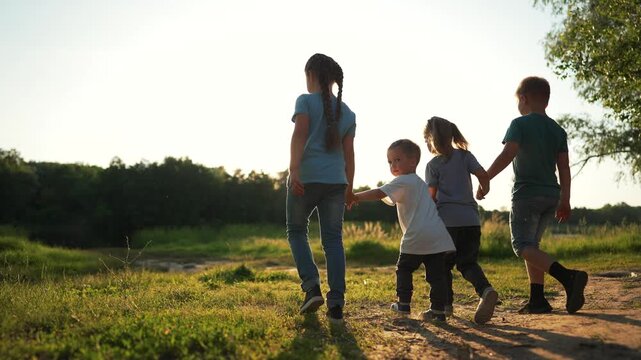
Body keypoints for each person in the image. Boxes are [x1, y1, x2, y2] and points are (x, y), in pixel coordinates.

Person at [481, 76, 588, 314]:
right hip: (552, 195)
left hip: (527, 194)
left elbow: (508, 154)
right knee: (533, 245)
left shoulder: (519, 124)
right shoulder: (558, 130)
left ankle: (568, 277)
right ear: (547, 101)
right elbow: (564, 168)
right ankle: (537, 300)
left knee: (521, 246)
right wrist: (565, 199)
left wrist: (486, 177)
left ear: (523, 98)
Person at [287, 53, 356, 324]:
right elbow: (349, 155)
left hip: (306, 178)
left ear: (311, 75)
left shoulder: (304, 101)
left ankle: (311, 287)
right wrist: (349, 187)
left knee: (296, 231)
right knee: (333, 240)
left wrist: (293, 170)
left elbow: (299, 135)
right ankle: (336, 303)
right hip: (336, 183)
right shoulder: (348, 112)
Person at [353, 139, 455, 321]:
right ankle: (438, 310)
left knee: (404, 268)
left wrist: (354, 197)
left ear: (413, 161)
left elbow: (379, 193)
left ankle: (403, 305)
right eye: (390, 162)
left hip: (417, 235)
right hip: (437, 235)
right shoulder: (419, 183)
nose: (393, 165)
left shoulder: (403, 181)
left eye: (398, 160)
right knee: (436, 275)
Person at [424, 116, 498, 324]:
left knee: (442, 265)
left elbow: (431, 196)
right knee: (467, 263)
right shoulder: (465, 156)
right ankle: (486, 290)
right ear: (452, 135)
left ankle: (445, 307)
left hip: (446, 223)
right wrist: (482, 191)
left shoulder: (433, 165)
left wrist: (426, 218)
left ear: (429, 139)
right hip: (470, 221)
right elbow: (483, 175)